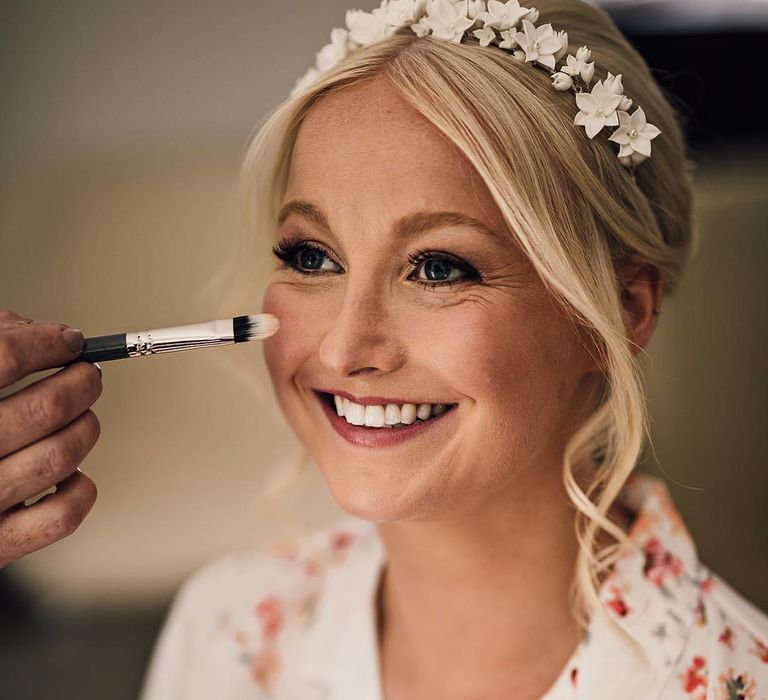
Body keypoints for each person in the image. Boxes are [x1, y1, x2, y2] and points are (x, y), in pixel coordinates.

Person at [2, 1, 766, 698]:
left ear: (620, 309)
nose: (345, 345)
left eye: (438, 268)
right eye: (311, 257)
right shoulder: (227, 632)